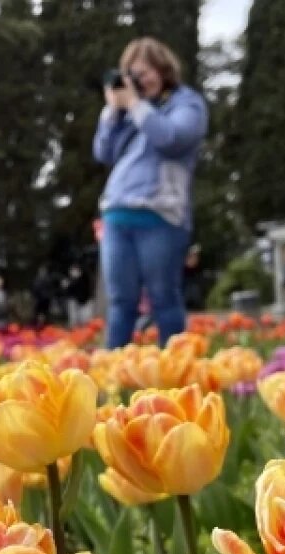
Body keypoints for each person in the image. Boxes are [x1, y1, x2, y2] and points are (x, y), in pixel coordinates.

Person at [93, 36, 208, 348]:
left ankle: (176, 377)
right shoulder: (132, 111)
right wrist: (112, 111)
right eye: (133, 75)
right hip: (117, 213)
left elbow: (171, 139)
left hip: (161, 215)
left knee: (163, 297)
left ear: (163, 69)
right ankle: (112, 377)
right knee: (120, 302)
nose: (140, 81)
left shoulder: (186, 103)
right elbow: (104, 152)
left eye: (146, 73)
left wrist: (134, 105)